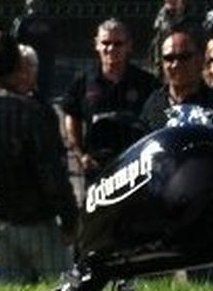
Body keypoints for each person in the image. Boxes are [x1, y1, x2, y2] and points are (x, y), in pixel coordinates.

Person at [0, 31, 77, 282]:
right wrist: (70, 218)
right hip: (37, 219)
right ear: (17, 63)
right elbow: (51, 173)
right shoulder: (29, 111)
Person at [141, 26, 213, 284]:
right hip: (159, 214)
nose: (175, 64)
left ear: (199, 59)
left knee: (208, 286)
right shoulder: (152, 105)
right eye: (169, 58)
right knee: (156, 287)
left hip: (203, 212)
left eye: (183, 57)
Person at [62, 19, 157, 183]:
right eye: (105, 43)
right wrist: (80, 155)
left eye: (118, 43)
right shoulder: (83, 81)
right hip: (96, 168)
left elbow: (157, 121)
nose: (111, 48)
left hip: (136, 168)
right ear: (96, 44)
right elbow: (72, 116)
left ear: (129, 46)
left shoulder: (147, 83)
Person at [149, 0, 188, 70]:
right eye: (168, 2)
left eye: (174, 1)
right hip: (167, 54)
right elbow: (159, 38)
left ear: (180, 0)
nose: (171, 6)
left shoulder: (190, 13)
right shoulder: (162, 16)